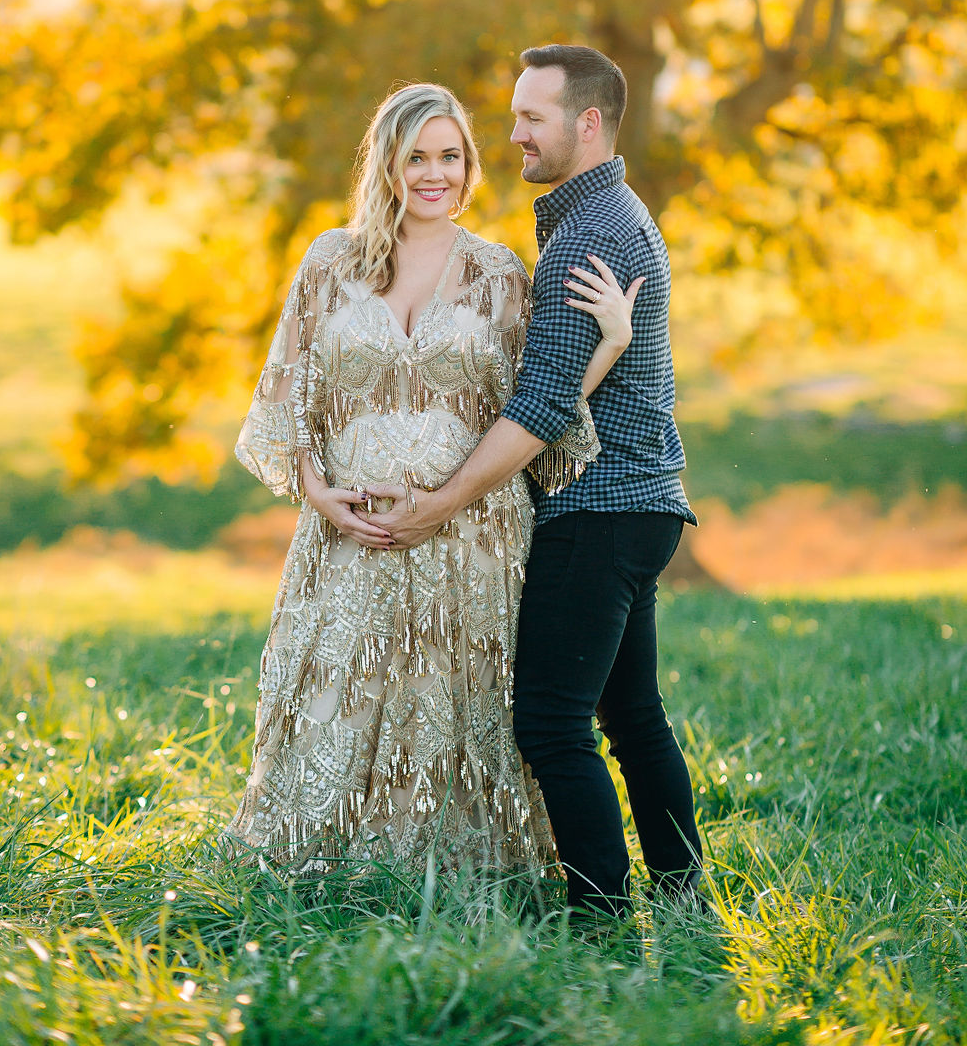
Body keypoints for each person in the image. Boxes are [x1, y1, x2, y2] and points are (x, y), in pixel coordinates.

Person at [224, 82, 642, 874]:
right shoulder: (330, 261)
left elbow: (540, 404)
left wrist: (609, 348)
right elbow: (290, 396)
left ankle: (464, 882)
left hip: (474, 540)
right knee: (335, 705)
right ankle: (328, 877)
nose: (435, 174)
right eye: (417, 156)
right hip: (350, 538)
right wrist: (320, 497)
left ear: (469, 167)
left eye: (450, 157)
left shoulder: (499, 273)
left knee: (459, 711)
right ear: (386, 164)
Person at [370, 46, 703, 916]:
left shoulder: (587, 239)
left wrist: (439, 504)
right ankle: (681, 896)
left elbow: (540, 407)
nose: (511, 133)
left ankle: (600, 917)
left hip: (599, 507)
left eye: (531, 118)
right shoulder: (600, 217)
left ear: (586, 124)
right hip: (642, 501)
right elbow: (568, 381)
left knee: (552, 724)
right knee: (633, 718)